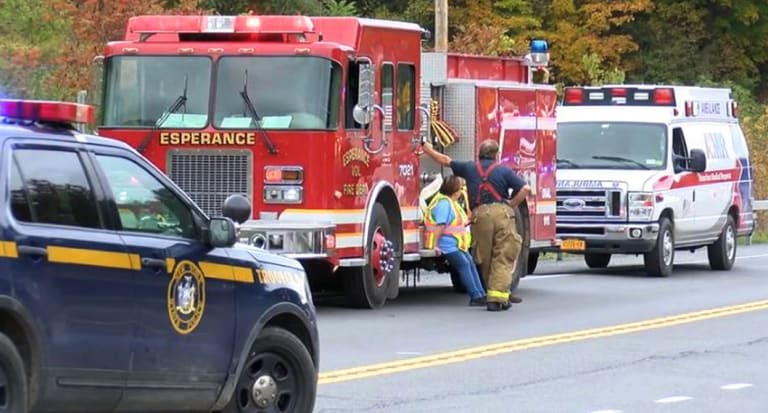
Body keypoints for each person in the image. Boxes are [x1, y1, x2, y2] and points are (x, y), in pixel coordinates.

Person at [422, 139, 530, 312]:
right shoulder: (503, 170)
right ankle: (498, 297)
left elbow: (445, 160)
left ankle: (492, 294)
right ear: (496, 155)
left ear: (479, 154)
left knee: (484, 257)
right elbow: (525, 189)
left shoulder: (470, 168)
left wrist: (428, 150)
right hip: (502, 213)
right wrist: (511, 204)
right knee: (502, 255)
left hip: (480, 217)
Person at [423, 175, 486, 306]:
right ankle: (475, 296)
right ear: (454, 191)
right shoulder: (443, 204)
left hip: (455, 244)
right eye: (460, 189)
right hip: (446, 245)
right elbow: (440, 226)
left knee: (470, 263)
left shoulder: (450, 202)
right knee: (464, 265)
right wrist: (435, 245)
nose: (461, 192)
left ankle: (481, 294)